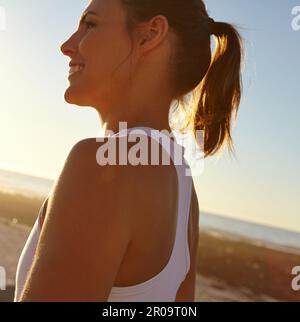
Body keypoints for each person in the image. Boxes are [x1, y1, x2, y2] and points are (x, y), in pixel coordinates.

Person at [14, 0, 243, 302]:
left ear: (150, 35)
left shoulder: (103, 165)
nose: (67, 45)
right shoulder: (183, 185)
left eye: (90, 24)